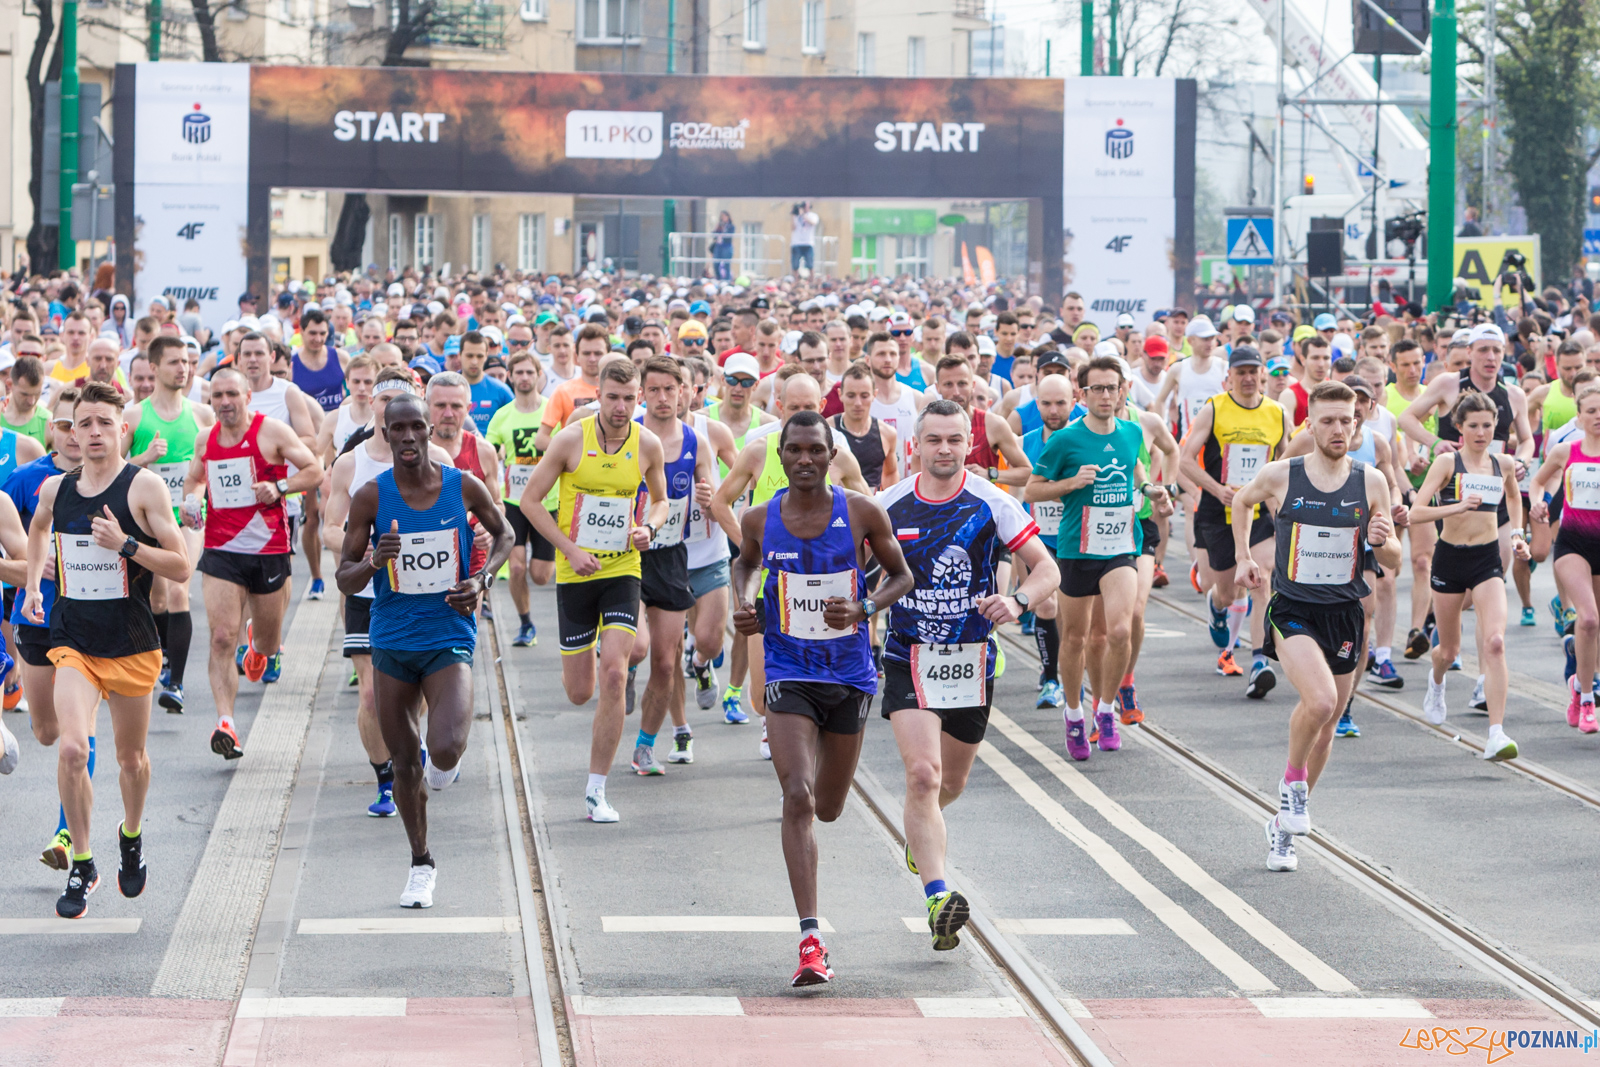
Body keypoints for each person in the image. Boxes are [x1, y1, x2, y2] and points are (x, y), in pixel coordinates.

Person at [730, 410, 912, 986]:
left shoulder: (860, 511)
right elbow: (743, 563)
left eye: (815, 450)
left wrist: (865, 608)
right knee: (797, 795)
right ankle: (811, 939)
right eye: (795, 451)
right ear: (779, 457)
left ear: (831, 455)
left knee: (829, 806)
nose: (804, 459)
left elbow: (902, 576)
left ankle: (813, 926)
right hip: (787, 669)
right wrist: (743, 601)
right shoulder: (759, 517)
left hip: (850, 674)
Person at [878, 400, 1059, 952]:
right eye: (934, 440)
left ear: (967, 445)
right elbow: (853, 572)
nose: (944, 450)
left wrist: (1018, 600)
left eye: (955, 440)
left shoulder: (992, 503)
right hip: (909, 654)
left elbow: (1047, 567)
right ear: (916, 445)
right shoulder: (886, 506)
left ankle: (920, 831)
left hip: (969, 661)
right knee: (924, 777)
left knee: (950, 785)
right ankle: (938, 897)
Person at [24, 381, 193, 918]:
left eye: (103, 423)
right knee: (73, 749)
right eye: (83, 423)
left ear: (123, 429)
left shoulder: (143, 489)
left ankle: (132, 834)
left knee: (130, 758)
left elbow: (181, 564)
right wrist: (32, 582)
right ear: (70, 431)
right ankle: (82, 860)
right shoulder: (57, 489)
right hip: (73, 638)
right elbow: (36, 530)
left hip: (132, 641)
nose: (92, 433)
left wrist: (125, 544)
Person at [335, 392, 509, 909]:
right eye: (398, 430)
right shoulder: (370, 496)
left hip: (448, 632)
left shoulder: (461, 486)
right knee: (404, 761)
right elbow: (344, 578)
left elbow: (505, 534)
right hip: (391, 638)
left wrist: (481, 580)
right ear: (384, 434)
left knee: (446, 747)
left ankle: (443, 768)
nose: (408, 438)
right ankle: (421, 863)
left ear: (430, 430)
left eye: (417, 428)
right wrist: (372, 562)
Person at [1232, 380, 1399, 873]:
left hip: (1345, 611)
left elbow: (1394, 557)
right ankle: (1293, 787)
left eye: (1346, 420)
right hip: (1293, 608)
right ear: (1309, 424)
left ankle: (1283, 829)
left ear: (1358, 423)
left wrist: (1382, 539)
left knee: (1326, 728)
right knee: (1322, 702)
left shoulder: (1371, 482)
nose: (1337, 429)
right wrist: (1243, 556)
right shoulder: (1282, 475)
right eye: (1326, 420)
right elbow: (1242, 502)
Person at [519, 360, 670, 824]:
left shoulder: (647, 444)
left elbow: (662, 500)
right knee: (580, 691)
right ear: (597, 395)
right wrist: (568, 549)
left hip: (623, 569)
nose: (621, 407)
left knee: (614, 676)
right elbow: (529, 501)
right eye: (612, 397)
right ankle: (597, 692)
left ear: (639, 396)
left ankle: (596, 790)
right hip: (575, 573)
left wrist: (648, 525)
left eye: (629, 398)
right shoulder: (570, 439)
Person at [1025, 356, 1168, 761]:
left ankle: (1105, 710)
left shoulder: (1130, 432)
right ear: (1081, 395)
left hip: (1121, 546)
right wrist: (1072, 483)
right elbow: (1034, 490)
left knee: (1119, 632)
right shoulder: (1065, 440)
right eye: (1097, 389)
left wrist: (1154, 490)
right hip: (1076, 549)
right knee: (1075, 638)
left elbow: (1136, 469)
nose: (1105, 395)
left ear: (1124, 390)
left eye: (1112, 387)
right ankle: (1074, 714)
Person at [182, 367, 321, 761]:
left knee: (268, 643)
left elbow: (314, 470)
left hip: (268, 550)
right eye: (217, 396)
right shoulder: (205, 438)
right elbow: (194, 479)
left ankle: (258, 649)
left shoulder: (271, 431)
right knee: (222, 637)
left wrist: (279, 487)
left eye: (231, 394)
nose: (224, 402)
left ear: (247, 396)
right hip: (222, 550)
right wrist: (191, 503)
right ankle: (225, 722)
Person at [1408, 392, 1526, 759]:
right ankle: (1437, 680)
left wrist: (1519, 535)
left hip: (1487, 558)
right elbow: (1415, 512)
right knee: (1449, 650)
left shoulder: (1503, 463)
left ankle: (1496, 733)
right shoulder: (1447, 463)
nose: (1481, 432)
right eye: (1473, 425)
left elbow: (1514, 500)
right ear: (1458, 427)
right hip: (1450, 559)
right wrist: (1457, 506)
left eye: (1488, 425)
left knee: (1494, 642)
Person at [8, 388, 89, 868]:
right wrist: (34, 571)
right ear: (50, 431)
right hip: (34, 614)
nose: (74, 434)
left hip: (92, 619)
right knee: (46, 731)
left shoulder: (113, 481)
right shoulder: (25, 480)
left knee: (78, 737)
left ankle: (67, 834)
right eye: (64, 426)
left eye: (81, 424)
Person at [1179, 345, 1292, 688]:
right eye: (1240, 372)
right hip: (1218, 510)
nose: (1247, 378)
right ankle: (1216, 606)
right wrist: (1216, 490)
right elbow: (1184, 461)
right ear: (1229, 376)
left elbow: (1284, 463)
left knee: (1262, 578)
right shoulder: (1214, 409)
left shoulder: (1277, 413)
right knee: (1227, 593)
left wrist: (1282, 506)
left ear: (1262, 374)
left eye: (1252, 371)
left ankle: (1260, 660)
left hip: (1258, 511)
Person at [626, 357, 717, 773]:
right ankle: (624, 666)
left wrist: (708, 499)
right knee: (638, 646)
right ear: (642, 393)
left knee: (665, 661)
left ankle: (645, 744)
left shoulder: (695, 440)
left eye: (671, 389)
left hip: (670, 557)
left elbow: (712, 492)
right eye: (655, 390)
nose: (663, 398)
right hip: (626, 555)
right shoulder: (627, 434)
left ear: (685, 391)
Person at [124, 335, 215, 712]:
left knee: (179, 589)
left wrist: (198, 494)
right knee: (157, 598)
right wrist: (144, 457)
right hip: (149, 520)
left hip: (188, 519)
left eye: (187, 361)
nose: (184, 368)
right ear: (154, 367)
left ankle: (175, 682)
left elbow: (213, 466)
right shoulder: (133, 416)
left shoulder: (202, 415)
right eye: (175, 361)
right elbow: (114, 472)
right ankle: (162, 655)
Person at [1530, 383, 1600, 733]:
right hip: (1573, 545)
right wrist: (1538, 503)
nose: (1598, 416)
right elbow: (1537, 482)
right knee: (1587, 619)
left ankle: (1578, 683)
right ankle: (1587, 699)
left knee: (1598, 625)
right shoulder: (1565, 450)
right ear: (1580, 416)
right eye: (1591, 411)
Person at [486, 350, 555, 647]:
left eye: (530, 372)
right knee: (515, 567)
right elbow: (489, 452)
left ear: (539, 375)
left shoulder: (553, 412)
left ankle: (529, 615)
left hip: (547, 502)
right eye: (519, 373)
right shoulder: (502, 416)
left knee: (540, 575)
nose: (525, 378)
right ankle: (526, 624)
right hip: (514, 502)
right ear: (511, 377)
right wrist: (497, 453)